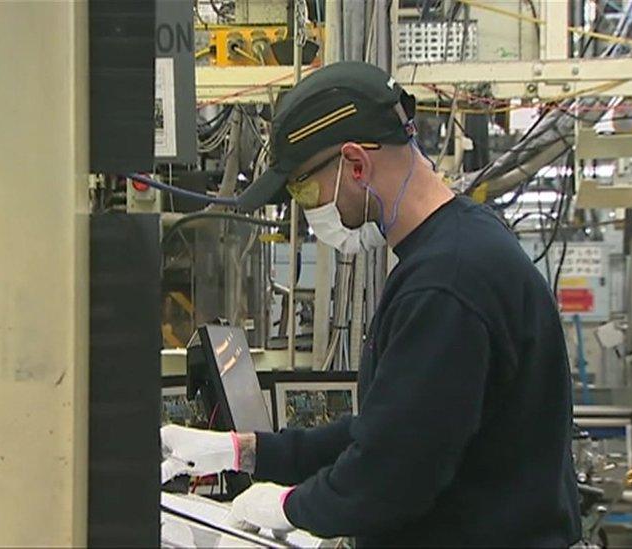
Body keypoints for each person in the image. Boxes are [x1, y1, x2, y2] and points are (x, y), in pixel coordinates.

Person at [160, 61, 582, 547]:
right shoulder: (458, 250)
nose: (306, 207)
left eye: (302, 187)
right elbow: (391, 433)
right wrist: (244, 451)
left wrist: (288, 507)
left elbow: (390, 476)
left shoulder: (445, 285)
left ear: (356, 165)